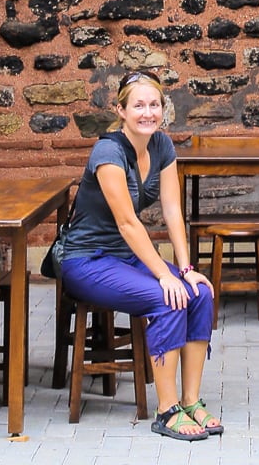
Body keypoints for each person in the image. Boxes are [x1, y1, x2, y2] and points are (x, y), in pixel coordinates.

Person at [58, 69, 220, 440]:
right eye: (138, 106)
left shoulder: (162, 146)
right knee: (168, 299)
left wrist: (186, 268)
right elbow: (128, 223)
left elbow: (172, 210)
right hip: (87, 260)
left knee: (199, 293)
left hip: (126, 258)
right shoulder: (108, 152)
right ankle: (166, 411)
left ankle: (191, 401)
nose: (147, 113)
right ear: (121, 110)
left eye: (154, 105)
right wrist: (165, 276)